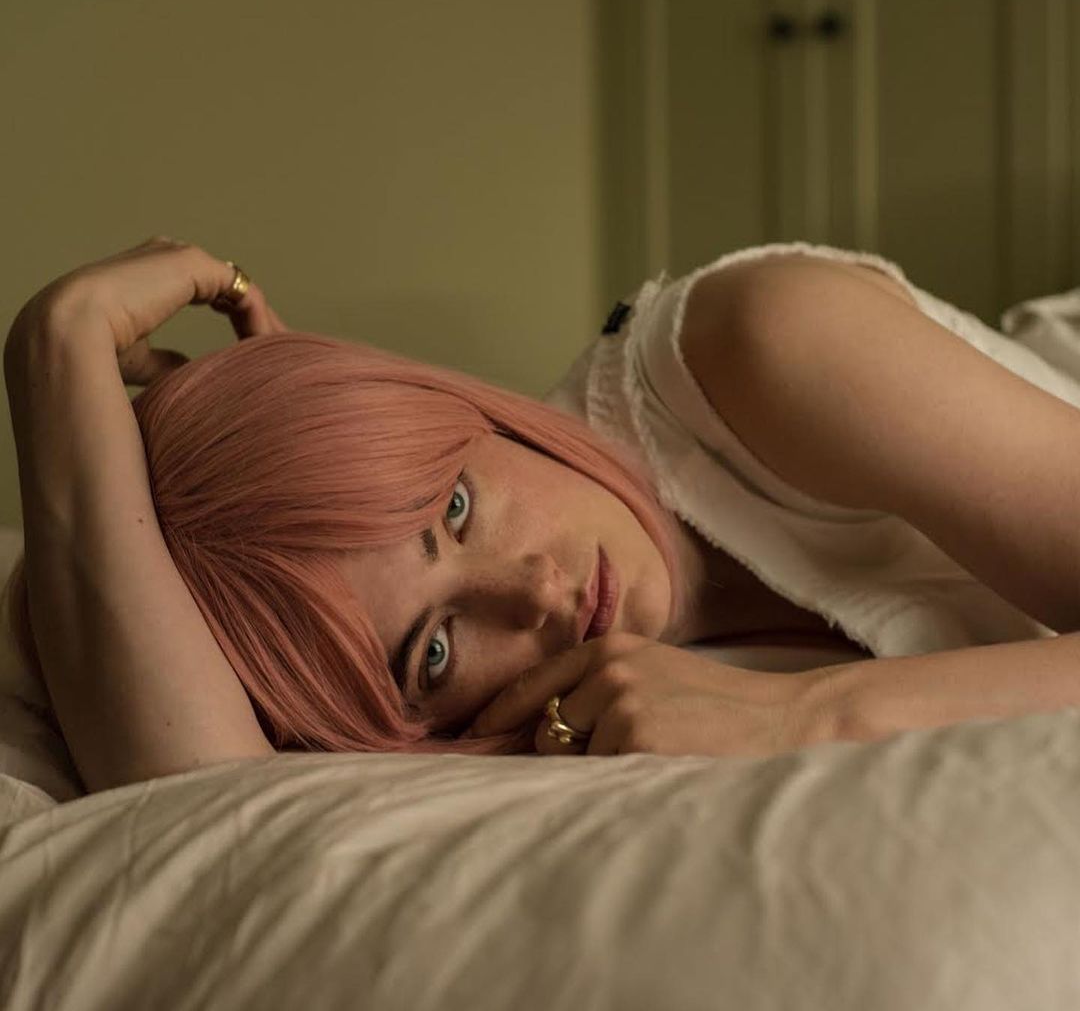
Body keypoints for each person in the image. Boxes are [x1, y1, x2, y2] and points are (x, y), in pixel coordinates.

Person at [6, 237, 1080, 795]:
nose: (533, 594)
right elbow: (206, 798)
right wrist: (59, 357)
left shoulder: (767, 344)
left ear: (458, 410)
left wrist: (810, 717)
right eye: (434, 647)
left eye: (457, 505)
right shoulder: (534, 715)